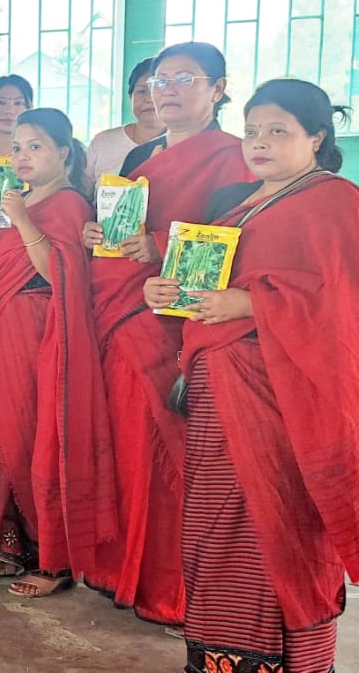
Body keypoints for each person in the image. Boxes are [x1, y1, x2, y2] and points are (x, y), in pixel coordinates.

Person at [143, 79, 359, 673]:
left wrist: (251, 304)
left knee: (278, 520)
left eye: (278, 131)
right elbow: (200, 284)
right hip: (217, 390)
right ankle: (221, 655)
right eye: (252, 131)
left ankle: (290, 660)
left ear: (316, 138)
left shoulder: (336, 203)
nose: (259, 142)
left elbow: (341, 305)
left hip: (284, 396)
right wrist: (161, 290)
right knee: (214, 523)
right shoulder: (233, 204)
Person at [82, 42, 254, 627]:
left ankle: (172, 586)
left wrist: (160, 246)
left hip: (180, 324)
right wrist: (97, 235)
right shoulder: (139, 159)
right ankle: (119, 570)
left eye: (185, 78)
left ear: (218, 88)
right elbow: (118, 229)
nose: (168, 90)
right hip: (120, 313)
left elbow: (240, 242)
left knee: (170, 451)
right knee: (124, 445)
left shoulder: (235, 159)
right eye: (160, 80)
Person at [0, 108, 112, 599]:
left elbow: (57, 273)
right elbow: (5, 263)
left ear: (64, 153)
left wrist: (24, 221)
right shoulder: (20, 200)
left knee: (31, 435)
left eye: (36, 147)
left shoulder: (69, 204)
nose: (23, 156)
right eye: (17, 147)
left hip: (35, 334)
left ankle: (54, 558)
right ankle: (8, 542)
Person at [85, 58, 163, 181]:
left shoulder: (184, 143)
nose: (149, 98)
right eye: (142, 91)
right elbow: (83, 190)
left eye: (157, 91)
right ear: (130, 97)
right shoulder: (103, 142)